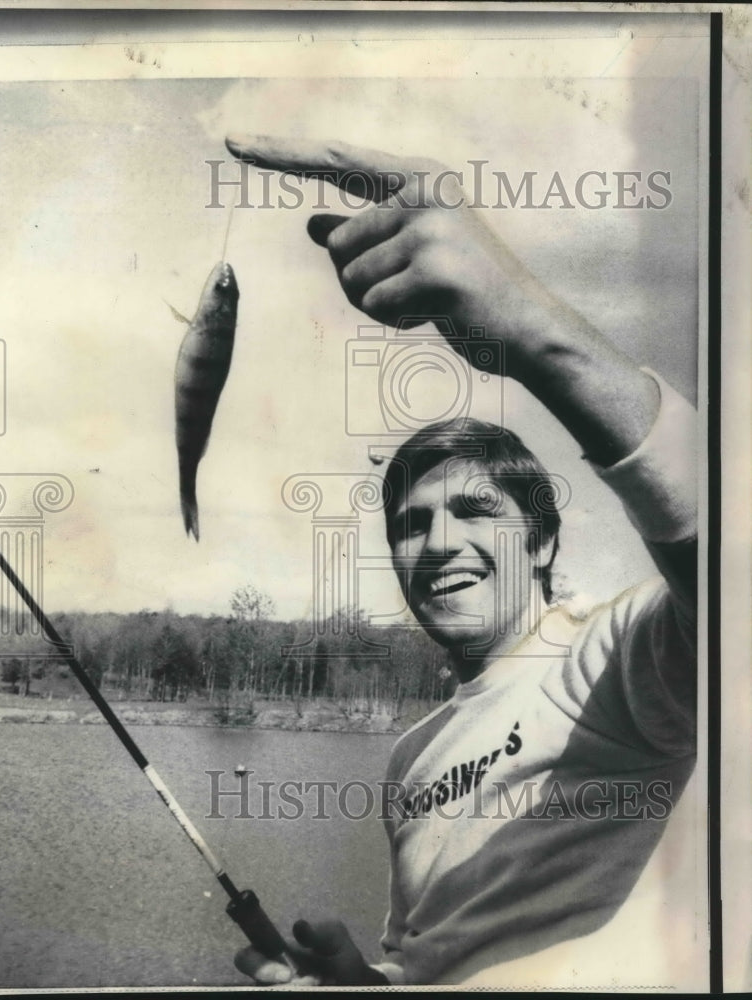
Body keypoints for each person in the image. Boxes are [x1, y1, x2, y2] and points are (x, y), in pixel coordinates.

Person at [224, 135, 698, 987]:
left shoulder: (625, 654)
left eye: (476, 510)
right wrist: (360, 983)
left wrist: (525, 325)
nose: (437, 542)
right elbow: (422, 962)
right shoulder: (411, 757)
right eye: (411, 523)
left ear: (544, 541)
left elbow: (726, 547)